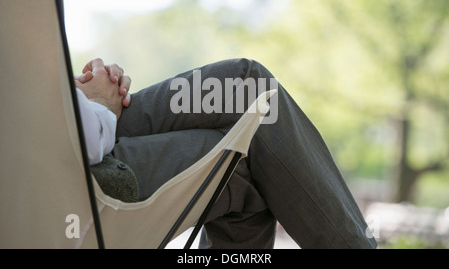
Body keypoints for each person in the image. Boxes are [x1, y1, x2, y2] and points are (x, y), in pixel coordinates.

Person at [75, 57, 377, 249]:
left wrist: (81, 96)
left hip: (80, 137)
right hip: (76, 170)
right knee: (250, 87)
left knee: (240, 160)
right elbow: (81, 141)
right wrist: (100, 103)